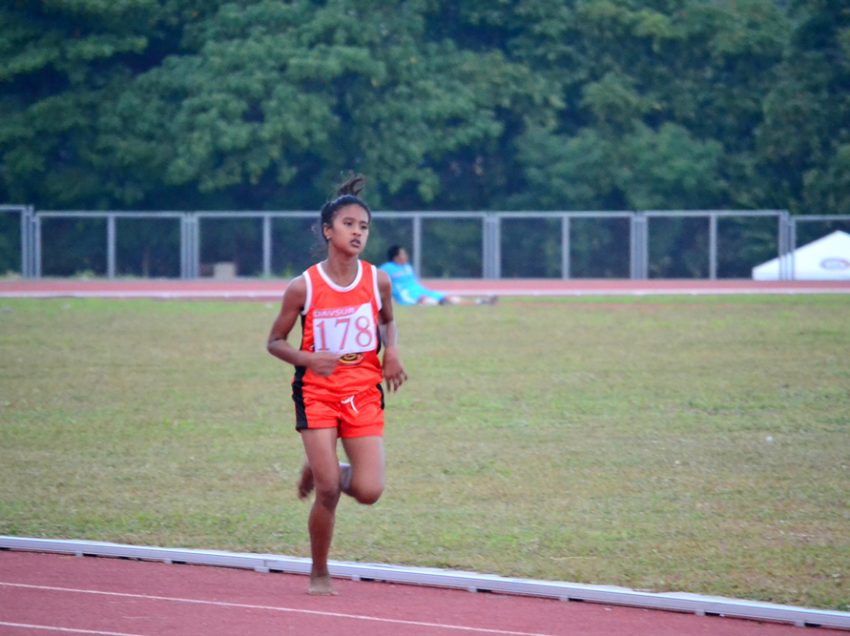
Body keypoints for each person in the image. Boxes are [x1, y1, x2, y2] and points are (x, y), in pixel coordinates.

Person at [266, 174, 407, 596]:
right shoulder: (303, 286)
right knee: (327, 491)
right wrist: (308, 358)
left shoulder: (377, 280)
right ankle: (319, 571)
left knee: (368, 490)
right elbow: (274, 342)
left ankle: (322, 463)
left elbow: (387, 320)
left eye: (364, 227)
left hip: (363, 389)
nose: (358, 232)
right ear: (328, 230)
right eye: (349, 224)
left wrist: (392, 353)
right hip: (318, 391)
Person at [379, 245, 497, 306]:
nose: (406, 255)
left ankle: (479, 302)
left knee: (445, 298)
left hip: (420, 290)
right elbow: (378, 283)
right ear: (395, 257)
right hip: (407, 295)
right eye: (403, 253)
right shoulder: (387, 268)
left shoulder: (408, 267)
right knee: (430, 301)